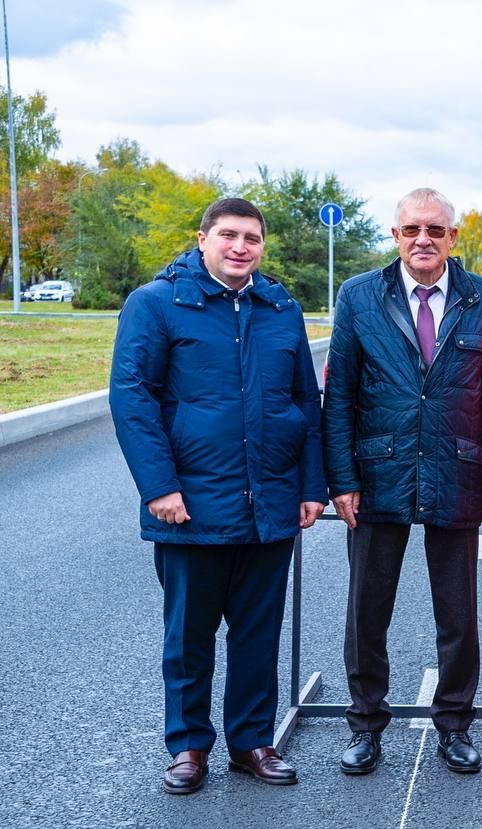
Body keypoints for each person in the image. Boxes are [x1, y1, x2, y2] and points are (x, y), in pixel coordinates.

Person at [110, 198, 326, 794]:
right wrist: (160, 487)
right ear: (202, 238)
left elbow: (305, 405)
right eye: (228, 235)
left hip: (271, 505)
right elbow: (133, 400)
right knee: (189, 635)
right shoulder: (156, 305)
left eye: (251, 238)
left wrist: (312, 487)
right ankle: (187, 747)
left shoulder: (280, 308)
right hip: (191, 505)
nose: (240, 247)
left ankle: (253, 742)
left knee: (258, 633)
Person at [322, 187, 482, 776]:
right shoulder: (358, 296)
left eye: (435, 230)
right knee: (367, 610)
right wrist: (341, 478)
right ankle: (364, 725)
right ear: (396, 235)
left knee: (457, 612)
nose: (423, 240)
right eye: (412, 230)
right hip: (377, 472)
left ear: (454, 238)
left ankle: (455, 725)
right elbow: (340, 397)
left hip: (456, 468)